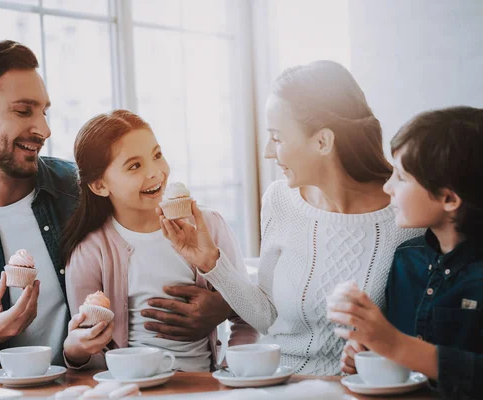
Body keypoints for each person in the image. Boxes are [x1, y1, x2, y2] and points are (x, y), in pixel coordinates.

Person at [0, 40, 227, 366]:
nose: (44, 129)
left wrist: (222, 306)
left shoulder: (80, 191)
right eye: (23, 111)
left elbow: (162, 243)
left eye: (45, 112)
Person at [157, 60, 421, 375]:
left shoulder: (407, 215)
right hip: (280, 383)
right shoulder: (279, 200)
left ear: (323, 141)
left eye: (277, 138)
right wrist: (212, 262)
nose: (269, 151)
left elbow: (423, 335)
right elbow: (268, 316)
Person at [61, 110, 258, 371]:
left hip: (205, 386)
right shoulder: (90, 252)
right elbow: (91, 347)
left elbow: (247, 317)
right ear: (99, 186)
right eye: (135, 166)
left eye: (157, 155)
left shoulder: (209, 226)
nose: (156, 172)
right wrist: (76, 352)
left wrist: (231, 371)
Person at [329, 106, 483, 399]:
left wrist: (397, 346)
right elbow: (400, 354)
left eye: (400, 177)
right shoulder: (406, 258)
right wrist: (371, 352)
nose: (387, 187)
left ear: (449, 198)